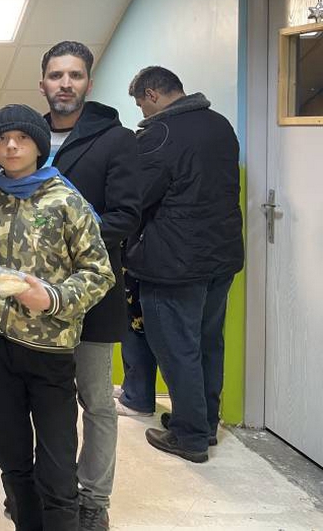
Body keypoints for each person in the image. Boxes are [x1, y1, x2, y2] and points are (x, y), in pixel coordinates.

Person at [0, 104, 114, 531]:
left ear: (38, 146)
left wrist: (52, 297)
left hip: (50, 348)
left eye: (22, 138)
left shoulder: (65, 200)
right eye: (2, 139)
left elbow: (99, 272)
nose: (11, 146)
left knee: (57, 464)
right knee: (12, 458)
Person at [38, 42, 140, 531]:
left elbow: (126, 216)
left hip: (92, 296)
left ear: (88, 83)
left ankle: (94, 499)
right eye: (56, 75)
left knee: (96, 402)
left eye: (74, 75)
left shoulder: (116, 140)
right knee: (45, 401)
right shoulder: (28, 135)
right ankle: (51, 491)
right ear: (42, 83)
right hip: (35, 299)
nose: (65, 84)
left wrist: (65, 241)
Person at [125, 67, 243, 464]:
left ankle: (188, 436)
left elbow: (138, 195)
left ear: (153, 94)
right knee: (208, 343)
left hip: (173, 262)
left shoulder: (159, 134)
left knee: (177, 347)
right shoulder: (219, 125)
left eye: (140, 103)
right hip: (220, 257)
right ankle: (205, 424)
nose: (141, 111)